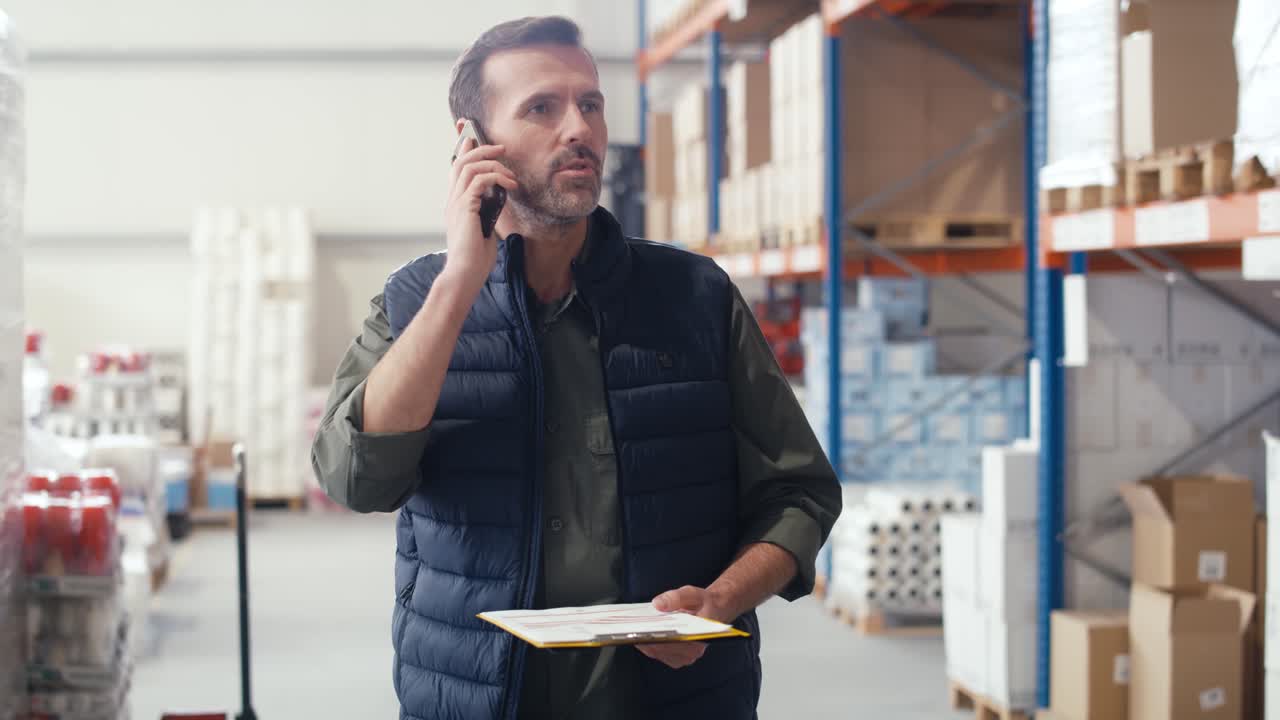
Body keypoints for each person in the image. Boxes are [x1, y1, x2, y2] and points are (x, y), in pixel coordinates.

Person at [311, 15, 841, 720]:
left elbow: (800, 494)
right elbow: (357, 478)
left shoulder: (695, 297)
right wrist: (461, 281)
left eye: (590, 103)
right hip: (475, 698)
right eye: (542, 107)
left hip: (677, 699)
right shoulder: (415, 303)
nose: (579, 128)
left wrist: (720, 604)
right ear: (471, 144)